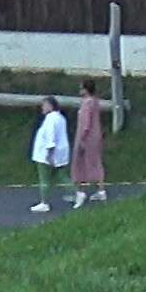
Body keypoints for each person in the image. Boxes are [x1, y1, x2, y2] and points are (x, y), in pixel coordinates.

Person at [69, 79, 111, 209]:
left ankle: (79, 192)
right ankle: (101, 190)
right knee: (95, 162)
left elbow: (85, 124)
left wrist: (82, 139)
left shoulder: (87, 104)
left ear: (86, 89)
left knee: (79, 163)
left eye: (81, 88)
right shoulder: (95, 102)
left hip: (86, 138)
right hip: (95, 137)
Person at [27, 95, 71, 213]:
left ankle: (44, 202)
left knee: (44, 179)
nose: (42, 107)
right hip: (61, 153)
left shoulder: (50, 119)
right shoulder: (60, 118)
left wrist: (49, 153)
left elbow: (50, 136)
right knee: (62, 176)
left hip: (46, 154)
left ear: (50, 106)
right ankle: (76, 194)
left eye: (44, 105)